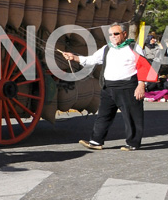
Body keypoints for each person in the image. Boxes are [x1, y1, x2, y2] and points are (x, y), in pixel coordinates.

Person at [61, 23, 146, 151]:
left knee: (131, 116)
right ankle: (96, 141)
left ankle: (133, 143)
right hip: (109, 87)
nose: (113, 37)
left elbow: (144, 67)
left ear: (124, 34)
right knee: (103, 115)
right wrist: (74, 57)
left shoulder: (134, 48)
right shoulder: (107, 48)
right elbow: (91, 60)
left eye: (116, 34)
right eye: (110, 34)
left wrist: (141, 85)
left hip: (128, 86)